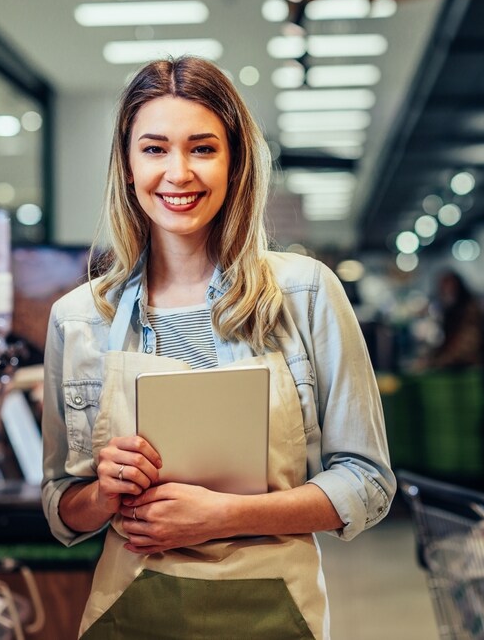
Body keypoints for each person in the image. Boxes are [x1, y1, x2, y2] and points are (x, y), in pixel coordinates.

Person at [40, 56, 394, 639]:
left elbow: (368, 481)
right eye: (154, 149)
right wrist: (104, 492)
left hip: (272, 615)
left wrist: (226, 516)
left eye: (202, 148)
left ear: (235, 163)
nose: (178, 173)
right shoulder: (77, 319)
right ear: (127, 167)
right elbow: (61, 506)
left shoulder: (304, 293)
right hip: (131, 613)